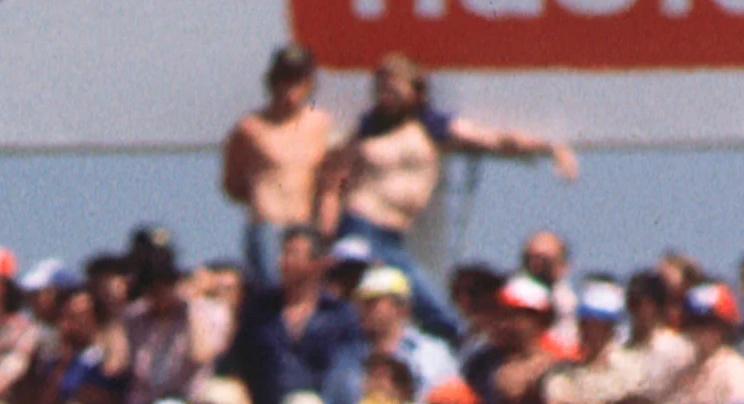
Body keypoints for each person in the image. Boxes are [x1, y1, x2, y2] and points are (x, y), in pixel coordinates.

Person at [318, 53, 575, 340]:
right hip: (361, 225)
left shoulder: (433, 126)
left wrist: (549, 147)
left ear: (416, 91)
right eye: (381, 88)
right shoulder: (367, 127)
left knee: (434, 311)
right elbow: (333, 178)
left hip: (394, 236)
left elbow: (495, 140)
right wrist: (327, 231)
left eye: (394, 88)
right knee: (357, 304)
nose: (386, 96)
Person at [220, 45, 336, 279]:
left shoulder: (321, 125)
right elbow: (231, 183)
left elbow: (330, 184)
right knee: (270, 291)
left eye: (296, 80)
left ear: (308, 82)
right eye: (283, 79)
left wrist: (326, 230)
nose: (289, 88)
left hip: (305, 227)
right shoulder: (250, 128)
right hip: (268, 225)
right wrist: (262, 193)